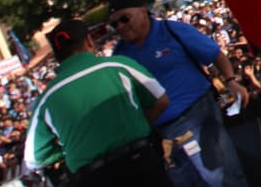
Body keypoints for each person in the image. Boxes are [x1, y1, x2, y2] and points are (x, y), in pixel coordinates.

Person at [109, 0, 250, 186]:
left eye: (124, 19)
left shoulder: (172, 30)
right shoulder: (119, 54)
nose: (120, 27)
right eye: (114, 24)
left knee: (222, 177)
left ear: (143, 12)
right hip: (162, 132)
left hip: (198, 114)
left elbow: (214, 54)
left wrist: (231, 81)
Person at [23, 18, 171, 186]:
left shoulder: (46, 99)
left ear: (56, 55)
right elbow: (161, 100)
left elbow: (33, 158)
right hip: (140, 162)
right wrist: (135, 124)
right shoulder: (119, 66)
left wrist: (68, 150)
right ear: (88, 41)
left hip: (92, 177)